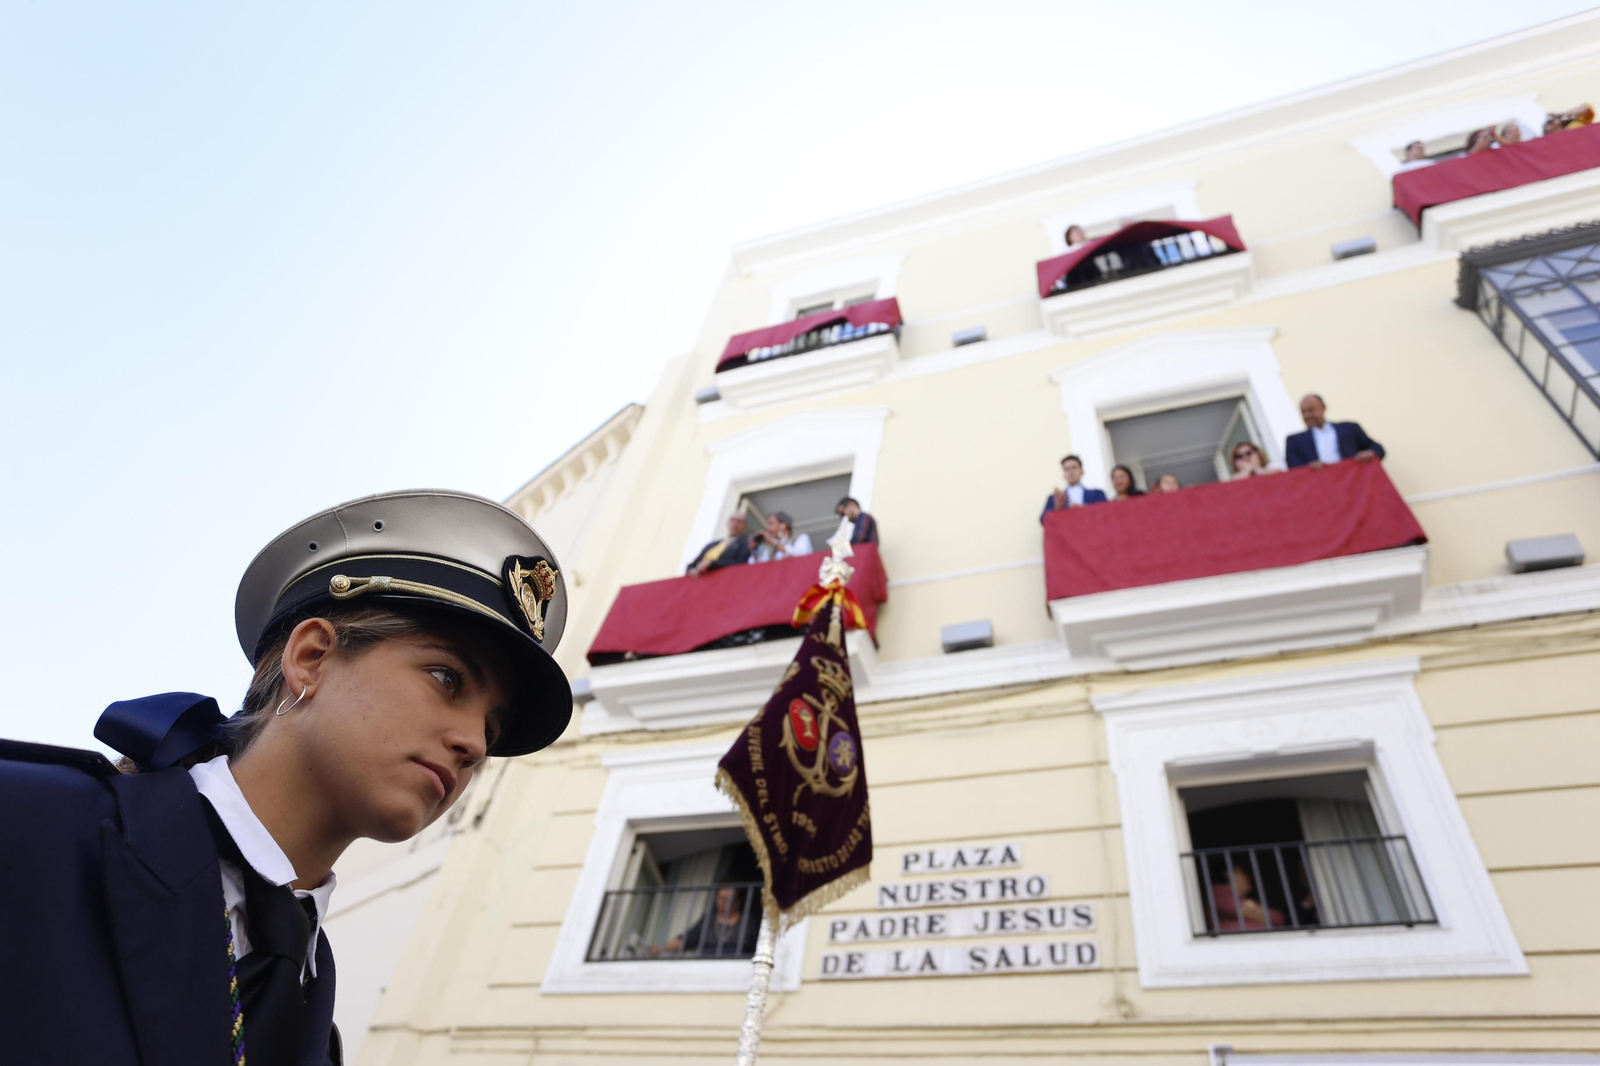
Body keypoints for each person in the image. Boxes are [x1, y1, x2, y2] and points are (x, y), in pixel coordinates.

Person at [0, 489, 574, 1066]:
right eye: (447, 679)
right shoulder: (30, 821)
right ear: (312, 656)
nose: (474, 743)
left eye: (491, 732)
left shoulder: (317, 1031)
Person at [653, 884, 761, 959]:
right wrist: (661, 948)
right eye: (720, 898)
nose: (722, 902)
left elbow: (757, 949)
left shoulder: (748, 923)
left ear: (737, 902)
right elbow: (687, 939)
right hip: (705, 967)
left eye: (727, 899)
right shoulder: (708, 919)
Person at [1284, 393, 1385, 469]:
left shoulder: (1350, 429)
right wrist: (1309, 467)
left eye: (1311, 410)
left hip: (1353, 484)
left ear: (1323, 408)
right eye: (1303, 412)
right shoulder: (1294, 441)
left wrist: (1369, 453)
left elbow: (1377, 449)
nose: (1307, 415)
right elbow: (1294, 467)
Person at [1209, 864, 1285, 932]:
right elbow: (1242, 910)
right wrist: (1263, 916)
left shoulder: (1246, 900)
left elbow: (1278, 918)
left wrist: (1256, 913)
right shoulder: (1218, 892)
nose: (1247, 877)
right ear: (1229, 874)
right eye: (1242, 873)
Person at [1040, 454, 1107, 521]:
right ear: (1064, 475)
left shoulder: (1097, 494)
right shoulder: (1054, 499)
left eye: (1074, 467)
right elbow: (1044, 521)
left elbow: (1105, 514)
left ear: (1082, 472)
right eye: (1067, 469)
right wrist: (1057, 508)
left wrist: (1084, 509)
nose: (1071, 472)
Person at [687, 513, 752, 576]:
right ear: (727, 522)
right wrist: (691, 571)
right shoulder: (711, 545)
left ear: (744, 527)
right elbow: (692, 565)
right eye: (733, 520)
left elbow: (740, 564)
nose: (735, 524)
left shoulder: (744, 545)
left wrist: (711, 563)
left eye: (739, 521)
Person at [748, 510, 813, 562]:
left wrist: (774, 542)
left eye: (771, 523)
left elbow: (801, 556)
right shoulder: (769, 548)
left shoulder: (801, 538)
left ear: (783, 525)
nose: (767, 527)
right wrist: (755, 552)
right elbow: (759, 567)